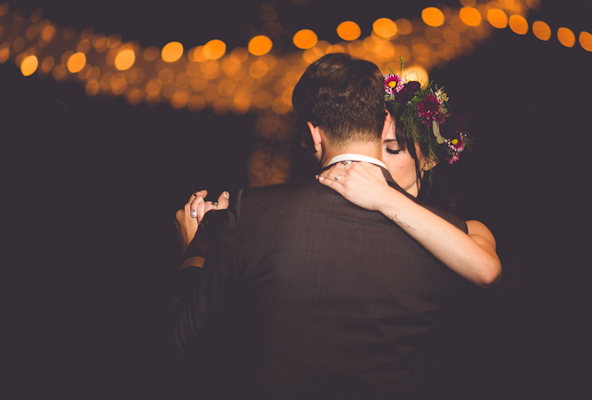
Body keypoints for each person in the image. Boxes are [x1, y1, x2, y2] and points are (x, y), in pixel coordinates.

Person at [174, 53, 482, 399]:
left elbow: (195, 349)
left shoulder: (253, 212)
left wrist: (196, 252)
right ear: (382, 123)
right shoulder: (453, 235)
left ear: (314, 135)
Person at [318, 72, 501, 288]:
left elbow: (487, 271)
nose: (376, 161)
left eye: (392, 149)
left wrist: (384, 196)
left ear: (429, 159)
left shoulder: (470, 229)